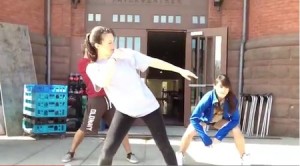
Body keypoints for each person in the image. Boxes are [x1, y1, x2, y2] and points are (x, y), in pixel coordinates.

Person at [84, 26, 197, 166]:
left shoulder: (126, 54)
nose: (114, 45)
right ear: (97, 45)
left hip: (148, 106)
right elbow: (104, 81)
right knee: (107, 152)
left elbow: (152, 61)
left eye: (114, 41)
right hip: (125, 110)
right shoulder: (93, 67)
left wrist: (179, 70)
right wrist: (113, 60)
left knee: (164, 146)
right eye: (109, 43)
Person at [61, 44, 139, 164]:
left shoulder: (102, 61)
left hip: (109, 99)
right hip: (96, 101)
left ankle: (129, 153)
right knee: (85, 128)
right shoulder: (84, 63)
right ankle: (71, 152)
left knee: (120, 128)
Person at [175, 74, 250, 165]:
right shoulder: (207, 97)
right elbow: (194, 118)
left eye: (226, 87)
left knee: (236, 130)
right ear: (214, 86)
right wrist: (204, 137)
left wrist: (220, 135)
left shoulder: (232, 99)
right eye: (221, 86)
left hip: (220, 121)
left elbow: (235, 120)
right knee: (190, 131)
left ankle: (243, 156)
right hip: (205, 120)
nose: (224, 90)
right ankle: (180, 154)